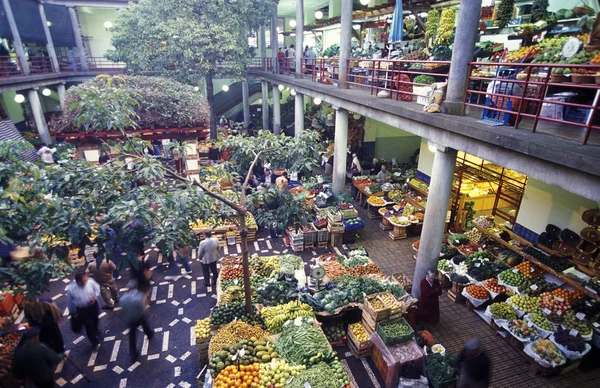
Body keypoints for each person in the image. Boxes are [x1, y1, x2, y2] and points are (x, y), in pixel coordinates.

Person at [67, 271, 101, 349]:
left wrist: (95, 297)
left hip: (93, 306)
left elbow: (97, 289)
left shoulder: (90, 282)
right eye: (84, 281)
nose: (86, 282)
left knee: (95, 320)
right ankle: (94, 342)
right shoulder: (71, 288)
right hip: (82, 309)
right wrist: (72, 311)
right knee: (88, 325)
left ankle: (95, 330)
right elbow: (69, 301)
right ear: (78, 281)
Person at [121, 286, 154, 361]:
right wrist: (147, 316)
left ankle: (133, 352)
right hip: (139, 316)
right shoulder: (138, 298)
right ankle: (149, 334)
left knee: (132, 335)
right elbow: (142, 309)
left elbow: (123, 309)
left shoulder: (124, 298)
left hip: (131, 318)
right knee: (145, 325)